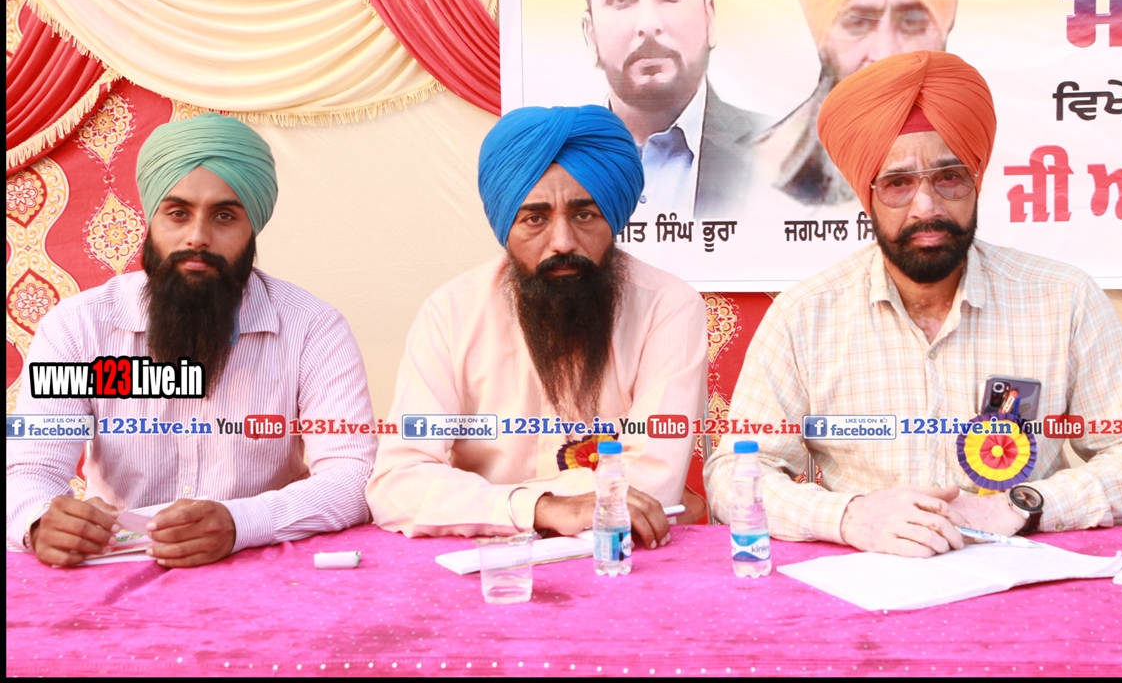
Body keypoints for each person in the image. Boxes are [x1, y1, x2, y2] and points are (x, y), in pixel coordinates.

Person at [705, 51, 1122, 557]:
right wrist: (850, 516)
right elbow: (735, 474)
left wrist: (1022, 505)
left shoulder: (1063, 297)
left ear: (976, 180)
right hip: (868, 575)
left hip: (1021, 578)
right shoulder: (804, 315)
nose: (926, 206)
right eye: (898, 183)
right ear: (867, 196)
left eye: (949, 176)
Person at [6, 113, 377, 567]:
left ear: (252, 229)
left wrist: (241, 522)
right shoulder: (77, 327)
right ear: (151, 219)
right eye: (178, 213)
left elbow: (353, 475)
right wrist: (41, 520)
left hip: (260, 566)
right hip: (112, 568)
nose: (197, 237)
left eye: (224, 216)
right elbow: (31, 469)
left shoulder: (313, 328)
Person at [367, 105, 707, 545]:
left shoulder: (668, 307)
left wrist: (477, 503)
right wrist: (541, 508)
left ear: (614, 219)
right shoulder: (451, 313)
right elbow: (397, 481)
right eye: (535, 218)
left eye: (584, 215)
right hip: (487, 560)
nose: (563, 242)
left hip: (617, 558)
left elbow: (649, 485)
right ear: (506, 226)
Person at [754, 0, 959, 206]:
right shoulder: (749, 178)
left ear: (947, 22)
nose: (886, 55)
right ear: (821, 33)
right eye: (859, 23)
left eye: (912, 22)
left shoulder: (1001, 179)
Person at [579, 0, 770, 220]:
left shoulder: (783, 159)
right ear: (591, 34)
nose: (648, 24)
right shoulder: (557, 166)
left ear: (709, 19)